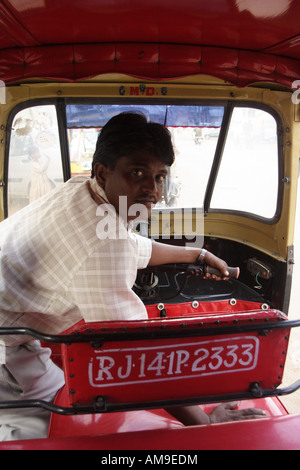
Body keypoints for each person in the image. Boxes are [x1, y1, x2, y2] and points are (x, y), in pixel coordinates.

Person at [0, 112, 265, 441]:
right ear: (103, 171)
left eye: (159, 176)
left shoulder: (85, 189)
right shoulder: (105, 248)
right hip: (7, 343)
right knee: (51, 430)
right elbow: (133, 352)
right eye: (137, 172)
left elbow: (130, 244)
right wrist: (205, 423)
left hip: (14, 311)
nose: (152, 190)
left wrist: (196, 254)